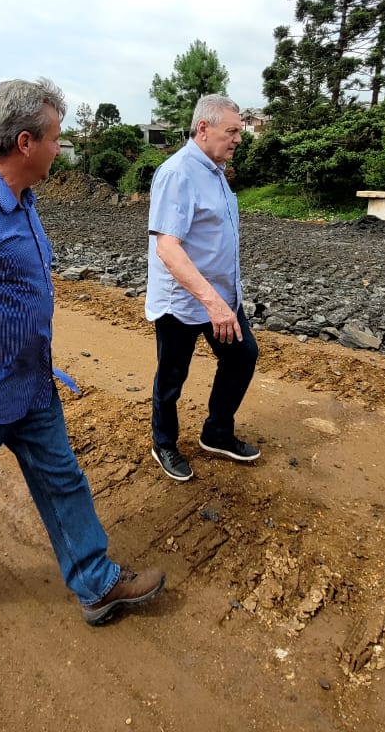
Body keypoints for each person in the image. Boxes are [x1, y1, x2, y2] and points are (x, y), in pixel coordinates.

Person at [0, 77, 165, 650]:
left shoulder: (23, 199)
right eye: (56, 138)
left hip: (30, 383)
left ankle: (95, 582)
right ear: (24, 142)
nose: (60, 148)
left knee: (63, 480)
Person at [145, 94, 260, 482]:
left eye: (239, 132)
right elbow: (168, 247)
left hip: (222, 296)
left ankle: (217, 432)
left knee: (242, 356)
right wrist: (213, 302)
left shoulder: (215, 171)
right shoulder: (177, 173)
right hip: (185, 300)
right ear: (203, 128)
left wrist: (226, 298)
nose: (238, 139)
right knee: (173, 376)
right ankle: (164, 443)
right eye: (232, 131)